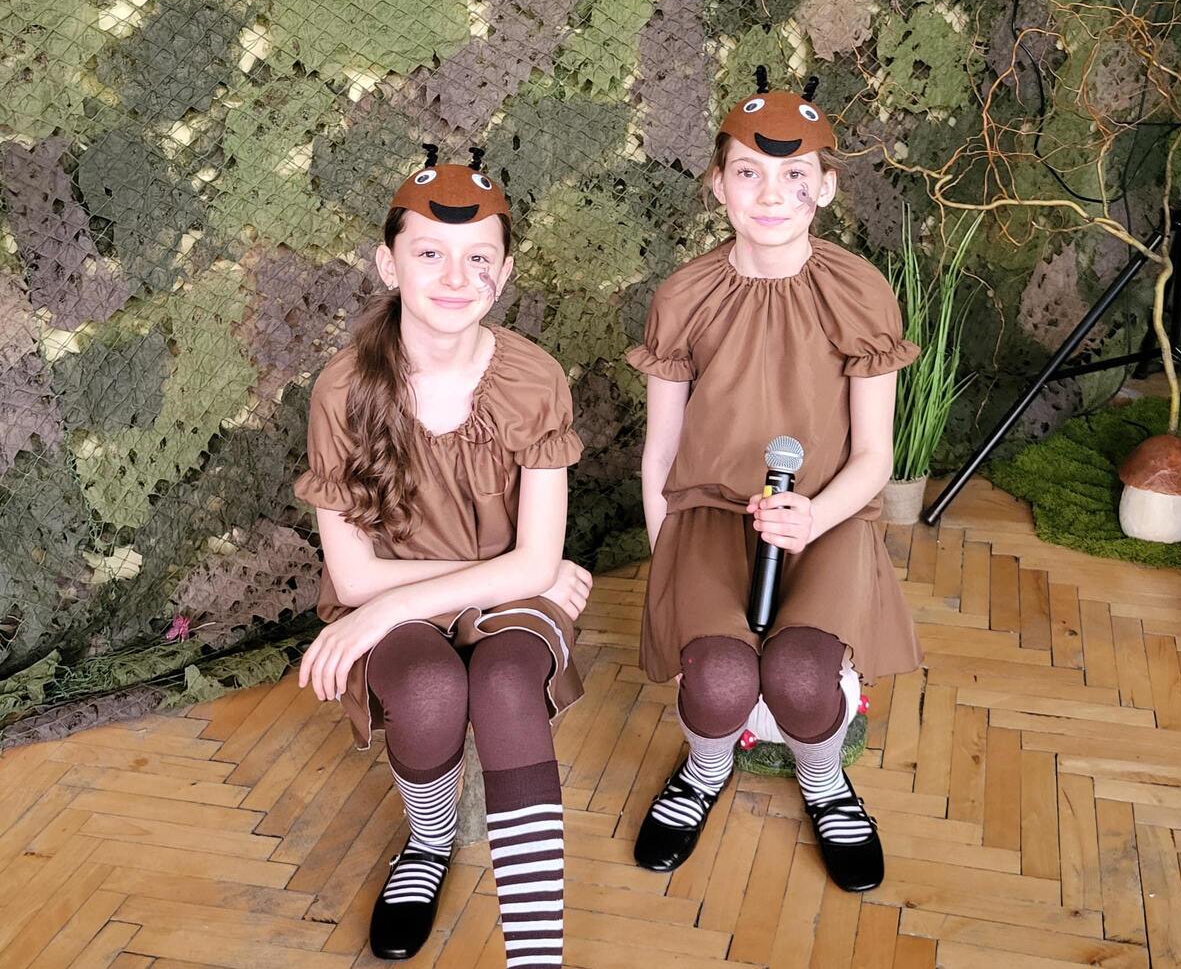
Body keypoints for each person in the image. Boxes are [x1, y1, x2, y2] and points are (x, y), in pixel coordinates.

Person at [626, 71, 922, 893]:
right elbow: (660, 454)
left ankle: (824, 782)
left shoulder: (858, 292)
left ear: (823, 187)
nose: (769, 193)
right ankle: (703, 768)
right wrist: (669, 576)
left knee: (798, 674)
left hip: (826, 516)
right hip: (707, 515)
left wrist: (813, 517)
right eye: (748, 172)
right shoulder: (683, 296)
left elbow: (874, 455)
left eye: (793, 175)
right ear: (718, 184)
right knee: (718, 678)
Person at [294, 147, 590, 965]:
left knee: (502, 683)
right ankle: (428, 841)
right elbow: (355, 576)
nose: (455, 277)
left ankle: (536, 956)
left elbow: (533, 571)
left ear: (504, 273)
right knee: (427, 690)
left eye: (478, 258)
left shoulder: (534, 378)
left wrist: (522, 573)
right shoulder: (341, 390)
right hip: (411, 595)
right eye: (429, 253)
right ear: (388, 263)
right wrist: (518, 570)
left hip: (505, 603)